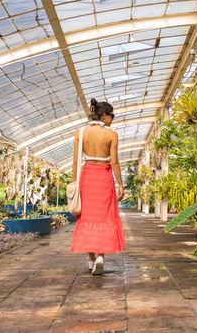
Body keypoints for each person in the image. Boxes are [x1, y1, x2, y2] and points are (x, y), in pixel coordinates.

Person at [70, 98, 125, 275]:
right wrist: (120, 185)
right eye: (112, 116)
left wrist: (75, 183)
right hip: (104, 177)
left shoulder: (81, 132)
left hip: (87, 177)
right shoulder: (111, 135)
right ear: (103, 115)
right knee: (104, 217)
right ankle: (101, 255)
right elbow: (114, 161)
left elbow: (75, 161)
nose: (113, 119)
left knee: (87, 218)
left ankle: (91, 260)